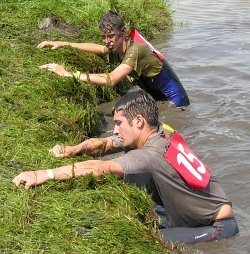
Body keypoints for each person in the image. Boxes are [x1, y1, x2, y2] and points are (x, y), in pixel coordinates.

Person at [12, 90, 239, 244]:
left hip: (218, 227)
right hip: (205, 211)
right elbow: (109, 144)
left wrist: (43, 174)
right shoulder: (162, 131)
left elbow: (98, 168)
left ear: (139, 121)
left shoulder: (147, 156)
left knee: (147, 241)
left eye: (119, 124)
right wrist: (74, 149)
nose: (115, 130)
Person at [37, 11, 190, 108]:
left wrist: (68, 74)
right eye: (103, 37)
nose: (107, 41)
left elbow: (110, 80)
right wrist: (64, 44)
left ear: (123, 32)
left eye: (111, 36)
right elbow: (98, 48)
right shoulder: (117, 48)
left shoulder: (136, 50)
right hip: (158, 98)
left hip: (175, 101)